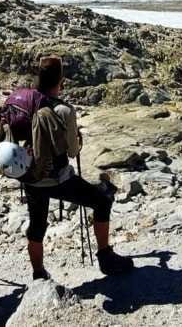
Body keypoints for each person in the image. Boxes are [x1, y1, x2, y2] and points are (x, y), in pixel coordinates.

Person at [19, 56, 134, 280]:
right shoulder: (64, 110)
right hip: (57, 177)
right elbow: (72, 151)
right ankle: (105, 256)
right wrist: (77, 137)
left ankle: (38, 274)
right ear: (61, 80)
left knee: (37, 225)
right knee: (102, 202)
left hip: (30, 174)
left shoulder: (26, 102)